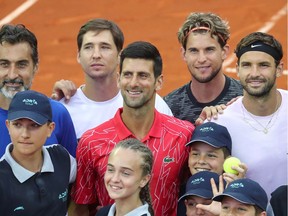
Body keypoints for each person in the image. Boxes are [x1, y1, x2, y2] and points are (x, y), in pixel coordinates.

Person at [70, 41, 194, 216]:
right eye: (128, 75)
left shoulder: (183, 135)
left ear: (158, 82)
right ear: (119, 79)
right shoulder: (91, 141)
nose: (134, 83)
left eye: (143, 76)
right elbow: (81, 208)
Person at [51, 18, 173, 139]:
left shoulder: (151, 102)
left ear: (119, 55)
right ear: (78, 55)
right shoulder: (63, 109)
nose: (96, 55)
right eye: (88, 47)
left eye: (105, 47)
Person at [210, 32, 287, 198]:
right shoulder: (220, 122)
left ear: (279, 69)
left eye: (263, 65)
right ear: (237, 69)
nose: (254, 73)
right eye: (246, 65)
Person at [0, 24, 77, 157]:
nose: (12, 75)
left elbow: (72, 173)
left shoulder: (57, 114)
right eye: (4, 64)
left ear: (35, 67)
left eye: (21, 65)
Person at [0, 90, 77, 215]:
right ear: (8, 126)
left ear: (50, 129)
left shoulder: (62, 157)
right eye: (18, 125)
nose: (25, 134)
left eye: (34, 125)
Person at [163, 12, 243, 124]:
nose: (201, 59)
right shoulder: (168, 108)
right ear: (184, 54)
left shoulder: (245, 98)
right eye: (194, 51)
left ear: (224, 52)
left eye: (209, 49)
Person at [178, 122, 246, 215]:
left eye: (211, 155)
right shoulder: (178, 191)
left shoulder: (241, 195)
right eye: (195, 154)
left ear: (226, 161)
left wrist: (238, 194)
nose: (201, 161)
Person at [96, 138, 154, 216]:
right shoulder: (103, 213)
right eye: (111, 169)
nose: (114, 179)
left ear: (144, 180)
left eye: (126, 173)